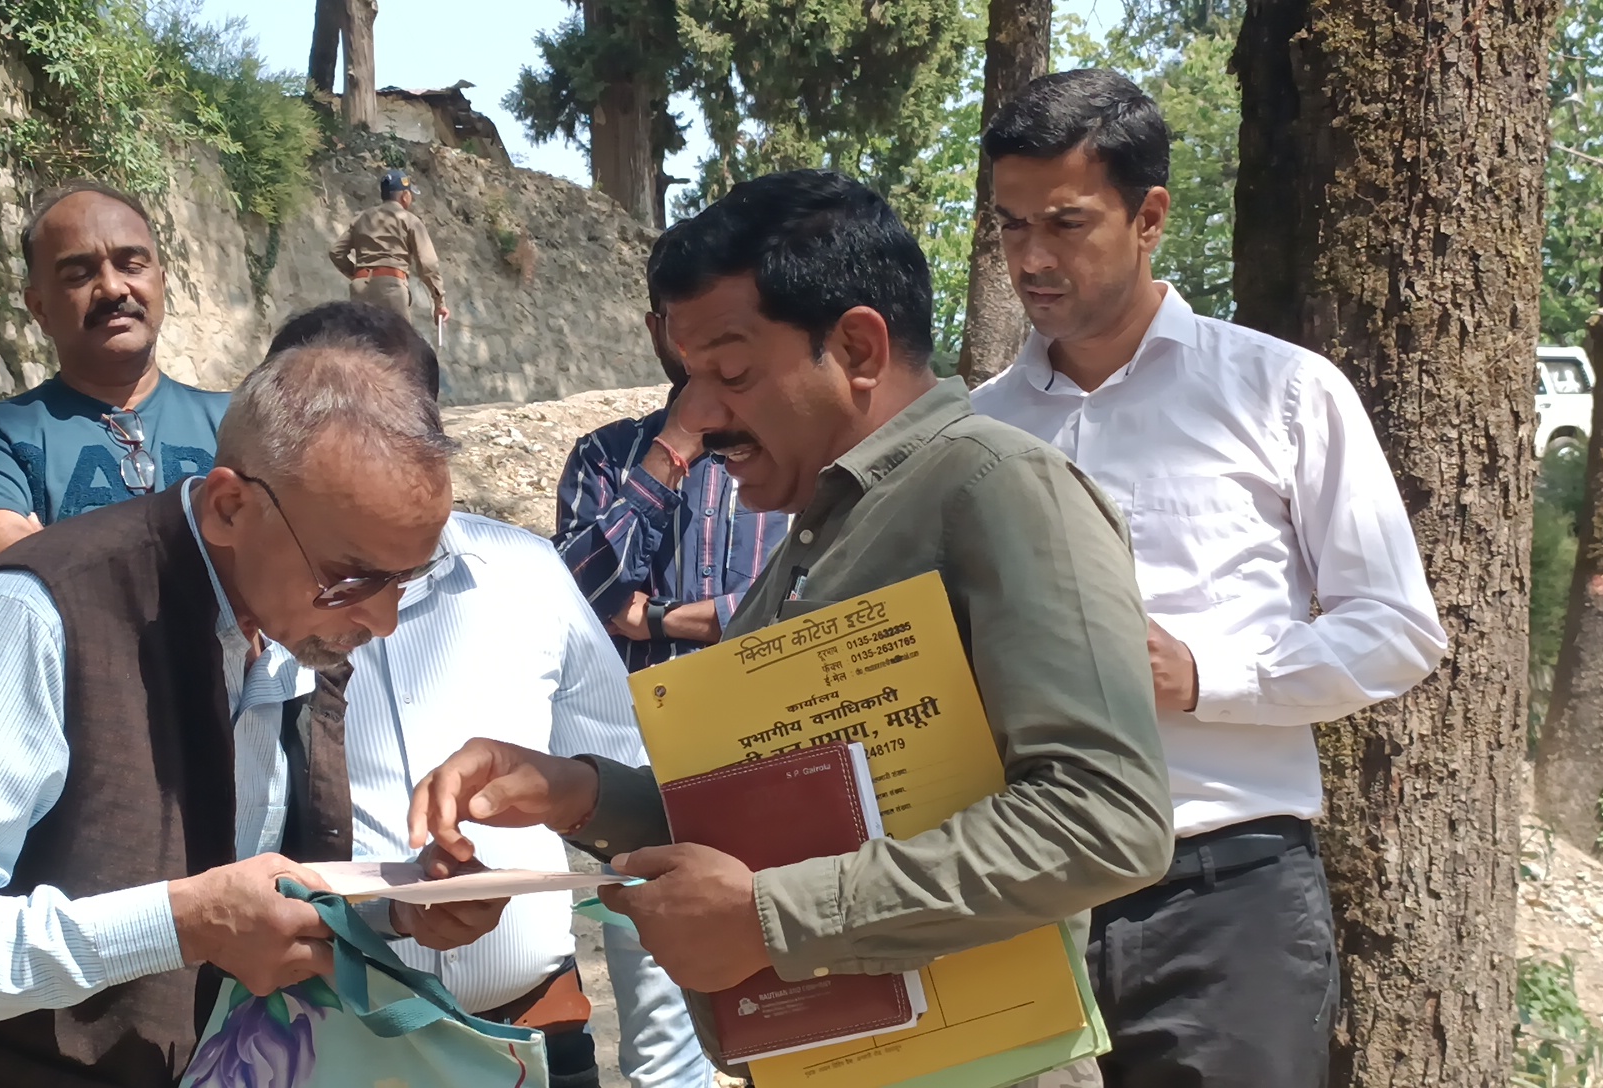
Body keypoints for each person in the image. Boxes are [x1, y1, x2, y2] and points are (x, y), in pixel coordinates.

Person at [404, 169, 1176, 1081]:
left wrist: (777, 920)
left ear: (856, 347)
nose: (700, 417)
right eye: (688, 380)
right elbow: (765, 819)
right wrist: (573, 791)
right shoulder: (820, 533)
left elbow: (1106, 819)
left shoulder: (997, 490)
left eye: (731, 375)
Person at [0, 330, 507, 1086]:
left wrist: (400, 903)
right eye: (351, 579)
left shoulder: (289, 622)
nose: (382, 622)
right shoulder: (30, 616)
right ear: (228, 506)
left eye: (407, 579)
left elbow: (249, 882)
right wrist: (184, 925)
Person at [968, 69, 1448, 1087]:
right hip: (1012, 892)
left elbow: (1397, 626)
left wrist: (1202, 675)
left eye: (1065, 222)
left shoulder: (1281, 391)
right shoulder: (976, 434)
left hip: (1225, 895)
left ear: (1149, 217)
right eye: (1012, 227)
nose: (1032, 260)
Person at [267, 302, 661, 1088]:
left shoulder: (525, 576)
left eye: (391, 418)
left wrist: (668, 1058)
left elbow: (636, 813)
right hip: (309, 1054)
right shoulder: (232, 615)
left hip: (534, 1041)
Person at [552, 228, 786, 1088]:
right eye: (692, 333)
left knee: (804, 1007)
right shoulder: (608, 458)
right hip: (641, 776)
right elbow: (579, 592)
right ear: (659, 330)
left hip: (777, 753)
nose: (712, 356)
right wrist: (671, 452)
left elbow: (797, 604)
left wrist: (656, 619)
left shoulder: (789, 454)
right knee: (660, 1032)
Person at [0, 181, 229, 571]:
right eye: (78, 274)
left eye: (131, 266)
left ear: (162, 282)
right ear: (39, 308)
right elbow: (13, 567)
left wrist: (63, 554)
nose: (111, 287)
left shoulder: (240, 420)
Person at [332, 169, 451, 331]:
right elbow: (428, 264)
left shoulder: (362, 217)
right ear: (404, 196)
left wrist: (357, 274)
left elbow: (336, 252)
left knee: (362, 345)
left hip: (360, 288)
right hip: (391, 288)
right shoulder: (410, 220)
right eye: (410, 193)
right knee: (397, 346)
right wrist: (439, 303)